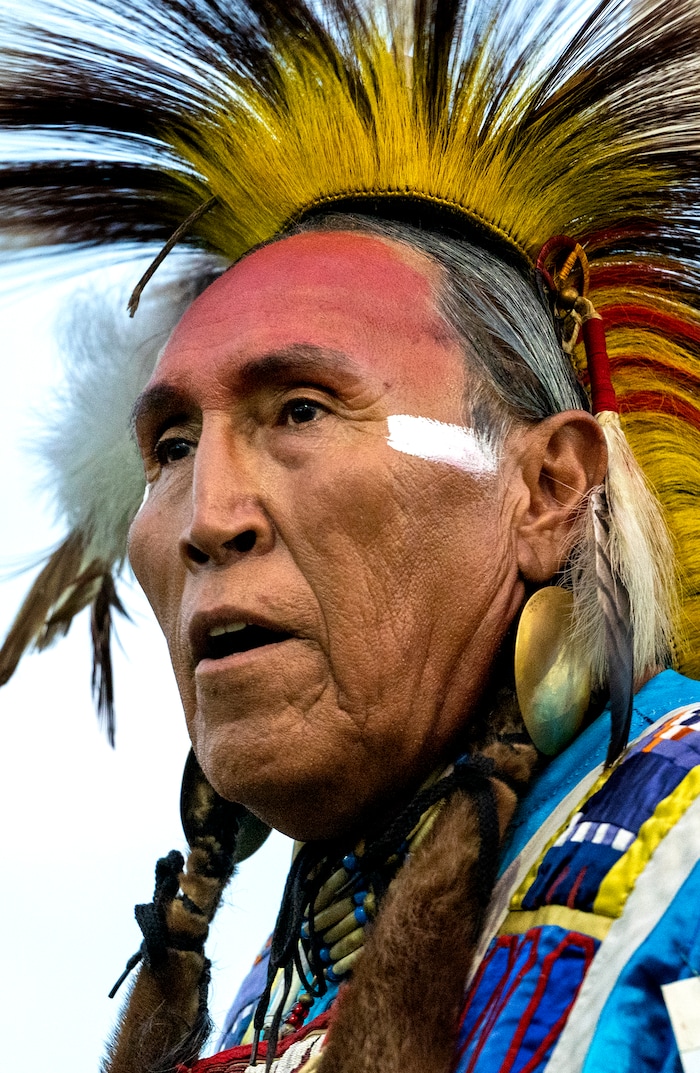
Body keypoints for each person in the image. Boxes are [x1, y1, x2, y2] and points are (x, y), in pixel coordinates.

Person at [1, 2, 700, 1071]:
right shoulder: (272, 996)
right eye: (173, 443)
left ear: (550, 487)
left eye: (300, 411)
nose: (207, 517)